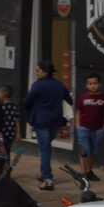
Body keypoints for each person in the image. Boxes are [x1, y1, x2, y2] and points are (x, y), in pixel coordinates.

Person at [23, 60, 71, 189]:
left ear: (45, 72)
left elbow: (27, 102)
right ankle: (43, 172)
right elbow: (69, 99)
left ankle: (48, 178)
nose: (36, 73)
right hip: (55, 120)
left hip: (41, 120)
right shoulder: (60, 85)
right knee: (45, 147)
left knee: (44, 148)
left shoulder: (37, 86)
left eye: (38, 70)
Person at [75, 73, 104, 180]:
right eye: (90, 84)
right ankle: (83, 173)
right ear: (86, 85)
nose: (93, 86)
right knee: (85, 151)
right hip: (84, 128)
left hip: (98, 129)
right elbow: (78, 112)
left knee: (94, 152)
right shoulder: (83, 98)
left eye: (95, 83)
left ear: (99, 84)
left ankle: (89, 170)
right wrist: (78, 126)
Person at [0, 84, 20, 160]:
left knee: (3, 150)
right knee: (7, 149)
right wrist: (18, 133)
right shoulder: (14, 106)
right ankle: (6, 168)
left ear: (3, 95)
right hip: (12, 132)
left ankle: (5, 167)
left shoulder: (0, 106)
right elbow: (17, 120)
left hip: (3, 132)